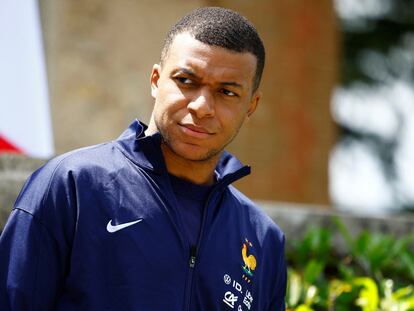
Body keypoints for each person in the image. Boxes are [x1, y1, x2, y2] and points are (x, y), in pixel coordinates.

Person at [0, 7, 287, 310]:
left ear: (251, 105)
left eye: (227, 92)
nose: (202, 106)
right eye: (186, 80)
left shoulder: (262, 239)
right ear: (155, 80)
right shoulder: (71, 185)